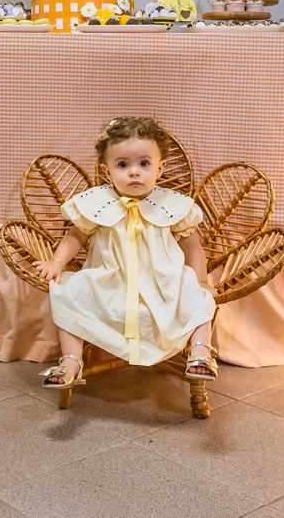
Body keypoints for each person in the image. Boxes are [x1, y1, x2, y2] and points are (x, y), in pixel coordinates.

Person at [31, 117, 218, 390]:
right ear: (108, 172)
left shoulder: (171, 205)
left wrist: (201, 279)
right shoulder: (97, 201)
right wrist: (58, 262)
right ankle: (71, 359)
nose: (134, 172)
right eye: (123, 165)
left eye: (144, 164)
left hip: (162, 282)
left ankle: (200, 349)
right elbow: (76, 235)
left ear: (160, 168)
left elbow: (192, 245)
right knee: (68, 292)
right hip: (109, 281)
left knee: (199, 297)